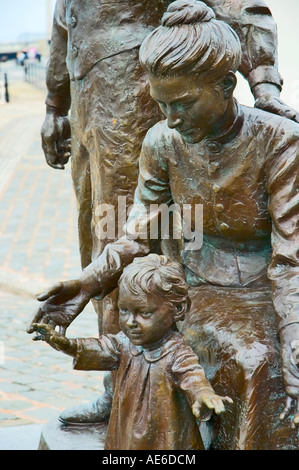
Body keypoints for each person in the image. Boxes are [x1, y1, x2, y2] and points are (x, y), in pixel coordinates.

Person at [28, 1, 299, 449]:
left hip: (261, 287)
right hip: (195, 280)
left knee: (257, 361)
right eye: (162, 105)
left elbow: (291, 258)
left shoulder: (279, 142)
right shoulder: (163, 138)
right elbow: (137, 232)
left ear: (226, 85)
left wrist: (293, 330)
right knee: (147, 335)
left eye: (184, 104)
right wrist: (87, 283)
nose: (171, 118)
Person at [31, 254, 233, 450]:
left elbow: (192, 376)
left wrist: (203, 395)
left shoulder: (176, 351)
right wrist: (66, 344)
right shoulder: (124, 343)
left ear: (178, 310)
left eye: (144, 313)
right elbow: (98, 348)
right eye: (124, 310)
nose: (130, 322)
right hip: (125, 434)